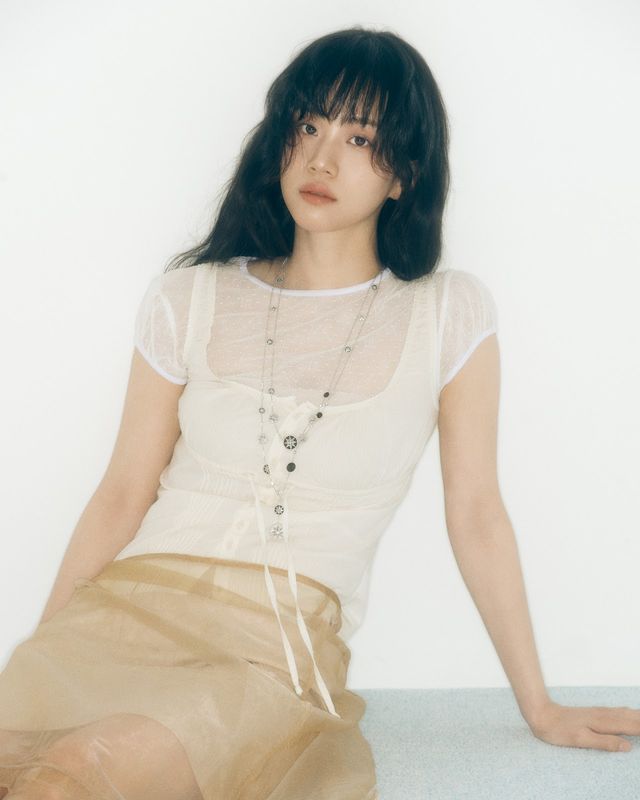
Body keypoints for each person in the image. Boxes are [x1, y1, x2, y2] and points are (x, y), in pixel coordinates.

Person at [1, 24, 638, 800]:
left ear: (404, 175)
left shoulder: (446, 315)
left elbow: (476, 514)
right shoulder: (189, 297)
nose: (322, 158)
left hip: (270, 655)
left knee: (75, 774)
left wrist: (538, 706)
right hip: (120, 617)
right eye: (308, 126)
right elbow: (121, 494)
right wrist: (43, 657)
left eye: (360, 138)